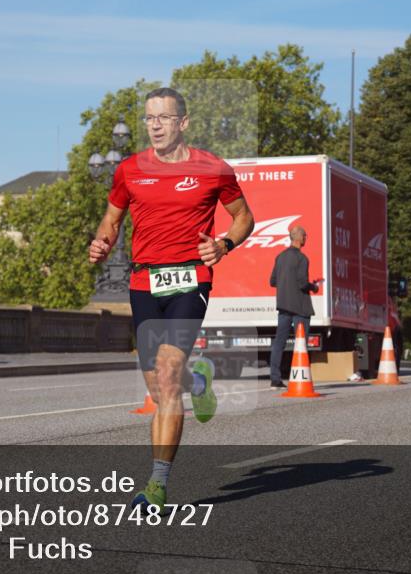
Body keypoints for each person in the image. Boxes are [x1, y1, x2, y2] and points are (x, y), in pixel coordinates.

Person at [88, 87, 254, 511]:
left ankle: (157, 486)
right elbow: (112, 218)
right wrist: (103, 243)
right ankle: (199, 382)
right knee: (158, 385)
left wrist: (224, 245)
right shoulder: (129, 169)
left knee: (166, 377)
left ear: (183, 123)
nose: (154, 125)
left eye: (163, 118)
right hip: (144, 284)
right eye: (148, 118)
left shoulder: (212, 168)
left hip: (189, 281)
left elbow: (244, 217)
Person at [268, 226, 322, 388]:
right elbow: (302, 283)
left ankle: (275, 379)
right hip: (300, 307)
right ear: (300, 238)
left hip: (283, 306)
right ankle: (300, 377)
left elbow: (272, 281)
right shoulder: (302, 259)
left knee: (279, 342)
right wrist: (314, 287)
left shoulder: (280, 257)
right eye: (305, 235)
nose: (306, 238)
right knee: (301, 344)